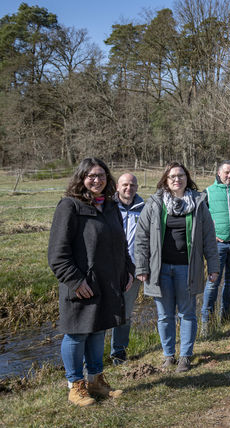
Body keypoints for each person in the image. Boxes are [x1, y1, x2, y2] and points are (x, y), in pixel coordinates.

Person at [48, 158, 132, 406]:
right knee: (76, 334)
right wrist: (74, 281)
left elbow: (121, 244)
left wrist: (127, 270)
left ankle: (95, 380)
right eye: (91, 176)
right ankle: (75, 385)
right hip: (81, 284)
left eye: (102, 175)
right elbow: (57, 253)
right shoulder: (69, 206)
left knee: (98, 331)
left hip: (107, 283)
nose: (97, 180)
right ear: (81, 178)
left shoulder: (110, 206)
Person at [134, 162, 219, 373]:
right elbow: (141, 238)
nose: (176, 179)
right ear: (165, 179)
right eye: (172, 176)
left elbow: (209, 238)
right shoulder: (154, 203)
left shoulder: (198, 203)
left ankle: (185, 356)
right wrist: (141, 267)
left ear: (186, 178)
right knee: (164, 315)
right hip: (159, 269)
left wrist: (214, 266)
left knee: (187, 314)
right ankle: (168, 355)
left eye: (180, 176)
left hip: (187, 269)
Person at [201, 160, 230, 333]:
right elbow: (201, 221)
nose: (229, 176)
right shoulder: (208, 193)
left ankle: (226, 317)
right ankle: (207, 323)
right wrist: (210, 237)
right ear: (218, 173)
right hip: (217, 245)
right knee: (213, 283)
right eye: (226, 172)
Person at [110, 172, 145, 365]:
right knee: (101, 313)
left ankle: (118, 354)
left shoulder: (145, 209)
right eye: (124, 185)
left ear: (137, 187)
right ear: (117, 187)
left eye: (132, 185)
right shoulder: (108, 207)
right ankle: (92, 357)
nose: (128, 188)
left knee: (125, 314)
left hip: (133, 271)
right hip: (109, 270)